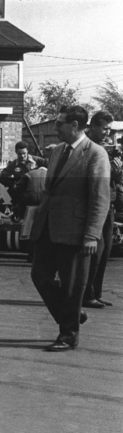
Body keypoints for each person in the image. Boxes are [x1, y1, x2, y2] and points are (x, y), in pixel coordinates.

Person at [29, 105, 110, 351]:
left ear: (75, 125)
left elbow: (100, 199)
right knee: (39, 276)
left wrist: (91, 235)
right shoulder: (58, 152)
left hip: (76, 233)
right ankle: (71, 314)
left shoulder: (96, 154)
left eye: (60, 123)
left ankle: (68, 334)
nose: (55, 128)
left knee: (73, 285)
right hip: (49, 228)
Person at [82, 110, 119, 310]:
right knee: (96, 250)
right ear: (93, 126)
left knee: (105, 252)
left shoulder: (104, 149)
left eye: (109, 129)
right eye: (104, 128)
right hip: (95, 205)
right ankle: (86, 294)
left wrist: (117, 170)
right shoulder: (89, 148)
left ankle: (96, 292)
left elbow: (113, 180)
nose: (107, 133)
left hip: (108, 203)